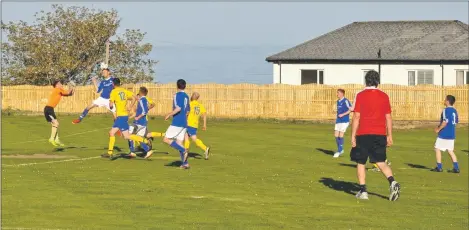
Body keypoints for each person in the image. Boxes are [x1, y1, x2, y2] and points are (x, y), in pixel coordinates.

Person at [350, 70, 400, 201]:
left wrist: (353, 135)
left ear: (366, 81)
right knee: (381, 161)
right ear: (378, 82)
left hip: (364, 133)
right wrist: (389, 135)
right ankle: (392, 182)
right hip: (379, 133)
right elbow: (388, 117)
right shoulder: (384, 96)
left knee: (360, 162)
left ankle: (363, 191)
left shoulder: (360, 95)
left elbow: (356, 116)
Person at [103, 78, 149, 158]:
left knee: (127, 136)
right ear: (119, 83)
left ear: (113, 84)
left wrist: (111, 105)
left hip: (121, 116)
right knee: (112, 133)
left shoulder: (113, 92)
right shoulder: (124, 90)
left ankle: (144, 140)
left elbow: (110, 105)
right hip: (123, 116)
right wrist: (130, 106)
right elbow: (135, 97)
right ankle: (109, 153)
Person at [163, 79, 190, 169]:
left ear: (177, 86)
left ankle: (184, 150)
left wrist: (169, 115)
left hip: (177, 122)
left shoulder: (177, 95)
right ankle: (185, 163)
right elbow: (187, 111)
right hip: (184, 122)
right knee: (179, 142)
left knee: (166, 139)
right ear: (184, 86)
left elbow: (178, 108)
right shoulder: (186, 96)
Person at [432, 95, 460, 173]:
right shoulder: (454, 111)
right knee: (450, 150)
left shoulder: (445, 110)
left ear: (447, 101)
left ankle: (439, 167)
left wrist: (438, 129)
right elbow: (456, 122)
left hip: (444, 134)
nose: (444, 101)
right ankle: (456, 168)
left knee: (437, 148)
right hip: (452, 134)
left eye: (445, 99)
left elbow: (445, 122)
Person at [44, 80, 74, 147]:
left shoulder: (60, 91)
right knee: (56, 123)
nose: (61, 84)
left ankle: (56, 140)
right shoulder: (57, 89)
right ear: (57, 85)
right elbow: (68, 92)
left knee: (55, 124)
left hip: (50, 109)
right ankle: (51, 139)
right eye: (60, 83)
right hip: (48, 109)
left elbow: (70, 94)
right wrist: (71, 87)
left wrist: (73, 87)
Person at [127, 87, 154, 159]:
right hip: (143, 123)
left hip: (138, 122)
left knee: (129, 135)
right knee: (139, 138)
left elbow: (144, 111)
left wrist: (138, 117)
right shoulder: (143, 100)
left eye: (139, 91)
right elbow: (141, 103)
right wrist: (135, 97)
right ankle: (148, 150)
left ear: (141, 92)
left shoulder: (142, 100)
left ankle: (132, 152)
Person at [184, 92, 211, 160]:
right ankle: (185, 152)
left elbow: (186, 114)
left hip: (189, 124)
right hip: (195, 125)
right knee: (186, 137)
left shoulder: (190, 104)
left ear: (192, 97)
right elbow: (204, 114)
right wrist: (204, 124)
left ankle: (205, 148)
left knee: (194, 139)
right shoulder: (200, 105)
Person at [333, 89, 352, 158]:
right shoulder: (338, 101)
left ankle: (339, 150)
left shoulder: (346, 101)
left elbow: (351, 109)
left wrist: (343, 114)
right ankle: (340, 149)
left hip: (344, 120)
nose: (337, 94)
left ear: (342, 94)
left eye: (338, 93)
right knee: (336, 135)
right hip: (338, 120)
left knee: (341, 135)